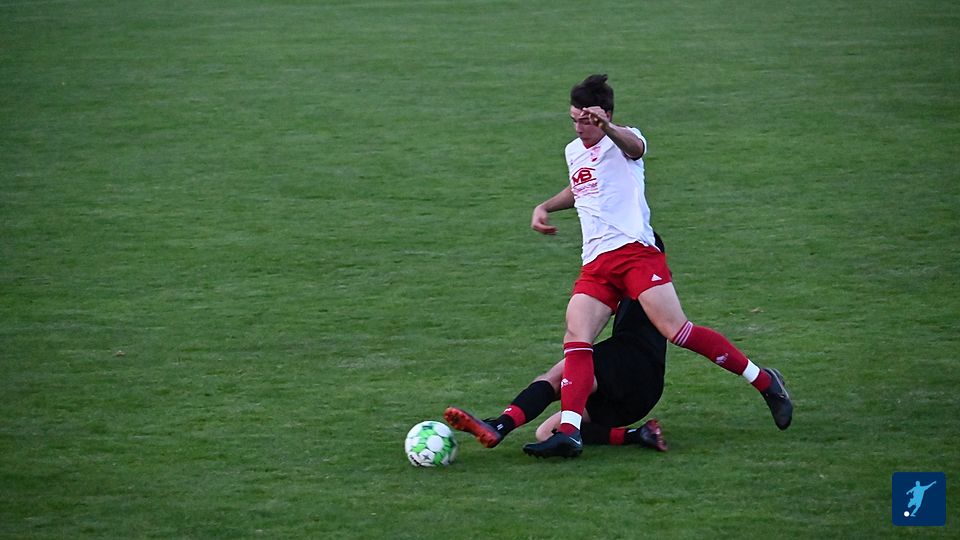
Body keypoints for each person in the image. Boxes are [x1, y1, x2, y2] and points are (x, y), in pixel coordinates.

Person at [524, 74, 792, 458]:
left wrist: (608, 128)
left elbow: (634, 148)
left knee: (677, 330)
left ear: (605, 115)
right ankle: (569, 432)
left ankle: (765, 382)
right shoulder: (573, 150)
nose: (580, 128)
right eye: (574, 120)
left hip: (635, 252)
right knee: (576, 339)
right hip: (597, 262)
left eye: (586, 120)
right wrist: (545, 206)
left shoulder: (626, 138)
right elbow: (580, 186)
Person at [445, 292, 669, 453]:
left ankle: (499, 426)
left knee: (558, 376)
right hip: (645, 393)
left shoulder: (635, 261)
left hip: (632, 358)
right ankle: (640, 434)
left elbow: (593, 310)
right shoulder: (652, 276)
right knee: (548, 432)